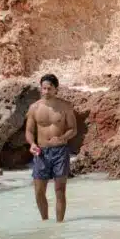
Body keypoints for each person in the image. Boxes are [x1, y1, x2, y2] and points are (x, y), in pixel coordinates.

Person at [25, 74, 77, 222]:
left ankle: (60, 224)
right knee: (39, 192)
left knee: (60, 190)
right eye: (43, 88)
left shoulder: (65, 106)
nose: (46, 91)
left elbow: (73, 129)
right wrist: (32, 144)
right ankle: (45, 222)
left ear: (56, 89)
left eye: (49, 88)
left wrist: (62, 138)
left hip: (60, 151)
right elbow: (29, 131)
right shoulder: (34, 107)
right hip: (41, 152)